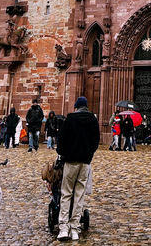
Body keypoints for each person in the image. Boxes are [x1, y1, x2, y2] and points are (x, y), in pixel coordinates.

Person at [56, 96, 100, 241]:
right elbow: (96, 141)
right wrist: (88, 155)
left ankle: (63, 227)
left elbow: (61, 140)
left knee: (66, 193)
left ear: (76, 106)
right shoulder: (93, 120)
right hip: (85, 162)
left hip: (71, 161)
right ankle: (75, 229)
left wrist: (63, 153)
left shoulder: (70, 119)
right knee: (79, 194)